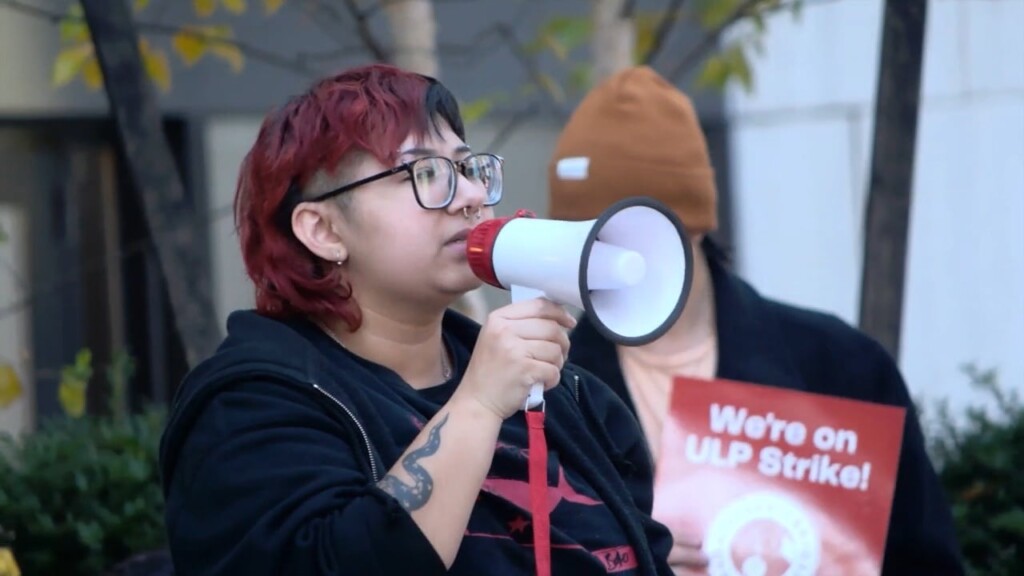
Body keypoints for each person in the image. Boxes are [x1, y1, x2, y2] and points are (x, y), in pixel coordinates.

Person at [158, 63, 675, 576]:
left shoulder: (572, 401)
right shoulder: (249, 409)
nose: (472, 196)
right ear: (323, 230)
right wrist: (478, 406)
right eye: (426, 173)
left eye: (469, 169)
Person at [547, 65, 965, 576]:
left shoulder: (840, 366)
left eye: (628, 234)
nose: (607, 261)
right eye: (584, 239)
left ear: (692, 224)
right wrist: (624, 554)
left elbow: (926, 561)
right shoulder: (550, 387)